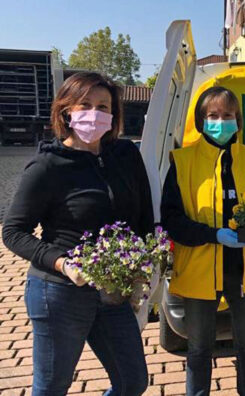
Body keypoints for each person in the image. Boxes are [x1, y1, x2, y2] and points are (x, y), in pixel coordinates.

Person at [3, 72, 153, 396]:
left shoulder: (126, 155)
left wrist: (146, 264)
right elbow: (14, 232)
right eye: (85, 104)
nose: (94, 113)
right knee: (53, 386)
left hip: (113, 289)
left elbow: (144, 217)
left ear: (113, 115)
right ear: (66, 111)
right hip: (60, 293)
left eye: (103, 106)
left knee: (132, 382)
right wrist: (62, 263)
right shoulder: (48, 166)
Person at [161, 86, 245, 396]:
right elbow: (172, 220)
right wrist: (213, 235)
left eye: (227, 115)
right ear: (201, 120)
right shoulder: (182, 161)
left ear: (238, 120)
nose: (221, 121)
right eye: (213, 115)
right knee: (199, 348)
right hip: (200, 269)